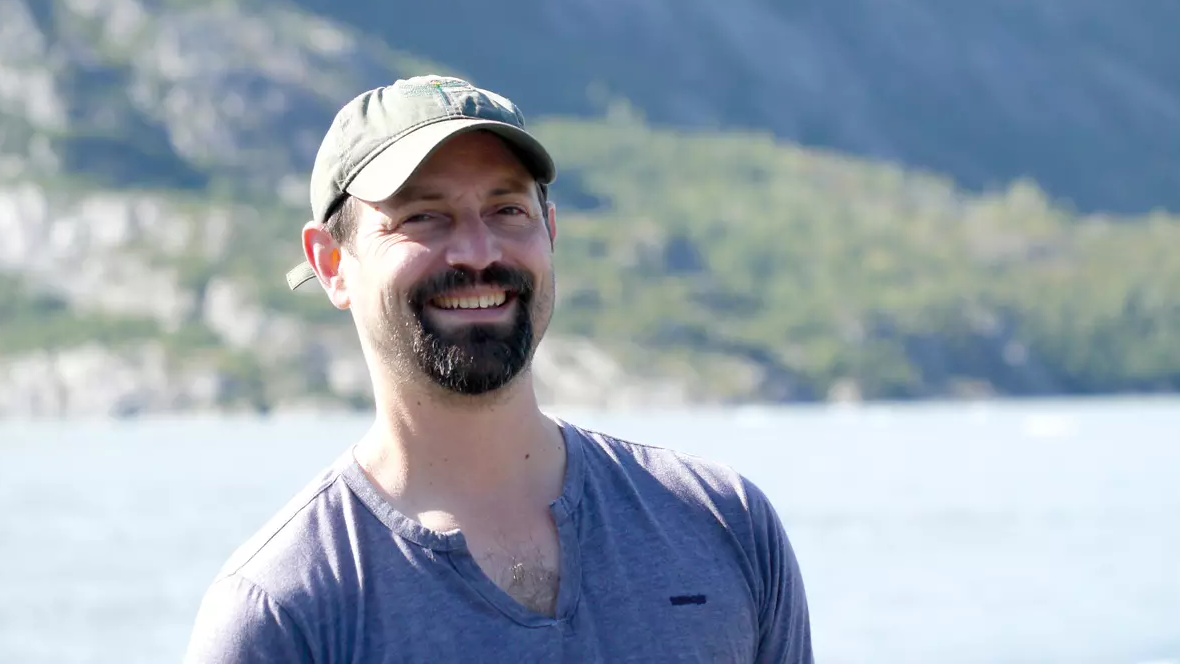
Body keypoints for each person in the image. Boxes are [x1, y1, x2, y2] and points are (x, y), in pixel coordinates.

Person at [183, 75, 815, 662]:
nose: (478, 251)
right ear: (330, 264)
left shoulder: (723, 525)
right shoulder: (284, 609)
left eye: (507, 210)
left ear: (550, 231)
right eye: (422, 216)